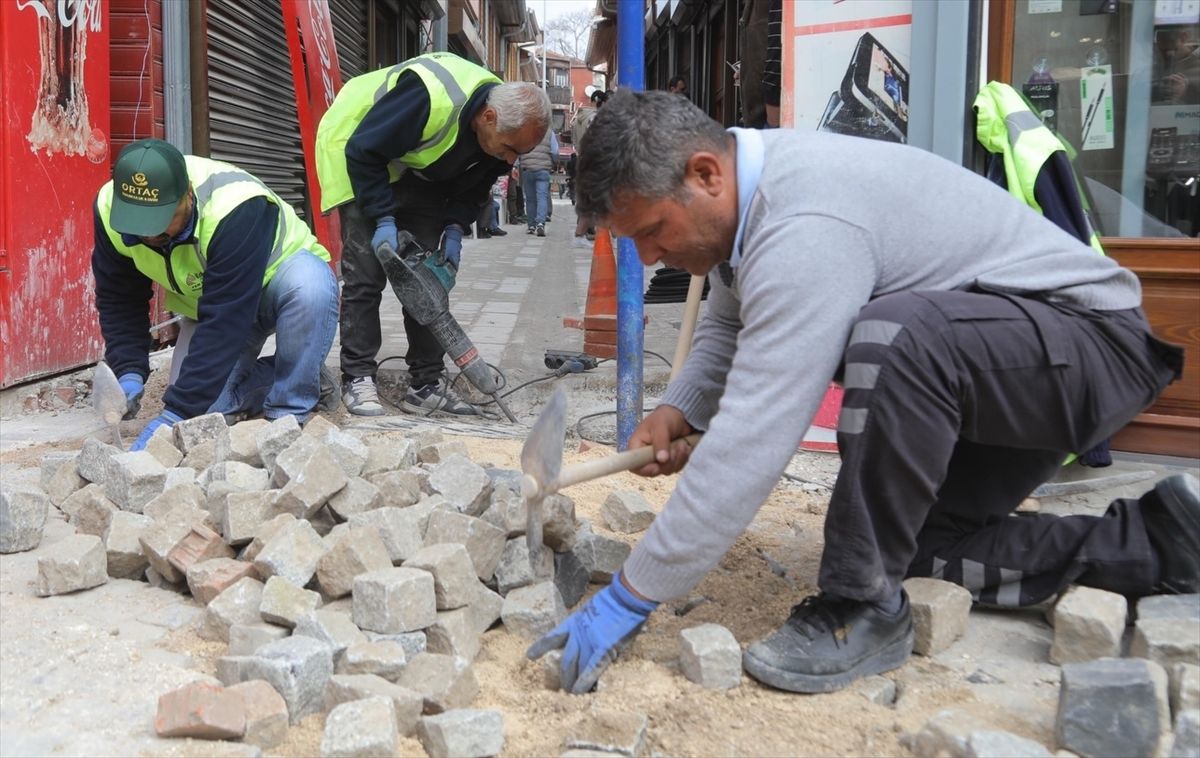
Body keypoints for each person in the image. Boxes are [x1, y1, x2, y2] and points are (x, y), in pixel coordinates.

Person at [528, 90, 1194, 696]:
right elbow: (729, 324)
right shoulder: (750, 202)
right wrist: (681, 408)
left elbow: (754, 437)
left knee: (895, 339)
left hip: (1087, 350)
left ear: (706, 174)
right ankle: (1161, 544)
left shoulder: (805, 220)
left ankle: (859, 607)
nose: (647, 259)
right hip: (1000, 375)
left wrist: (632, 593)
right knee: (920, 551)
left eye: (651, 232)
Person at [315, 52, 549, 416]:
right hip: (360, 150)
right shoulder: (429, 96)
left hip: (413, 166)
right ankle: (357, 377)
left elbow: (475, 185)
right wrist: (382, 219)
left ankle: (426, 384)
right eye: (510, 149)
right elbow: (363, 151)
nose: (510, 161)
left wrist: (455, 228)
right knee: (365, 278)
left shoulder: (499, 134)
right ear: (488, 118)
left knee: (426, 284)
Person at [93, 139, 339, 450]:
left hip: (278, 285)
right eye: (140, 224)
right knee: (206, 412)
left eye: (161, 221)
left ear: (188, 194)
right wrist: (129, 369)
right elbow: (119, 297)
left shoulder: (235, 205)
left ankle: (290, 411)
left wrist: (175, 412)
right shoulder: (109, 209)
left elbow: (227, 319)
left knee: (311, 287)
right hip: (210, 305)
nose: (150, 235)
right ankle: (299, 375)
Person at [518, 127, 557, 237]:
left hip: (527, 169)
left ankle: (531, 225)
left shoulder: (525, 130)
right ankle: (540, 223)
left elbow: (519, 149)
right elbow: (555, 151)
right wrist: (552, 162)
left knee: (530, 199)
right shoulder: (549, 132)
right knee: (542, 197)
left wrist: (522, 161)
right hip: (543, 169)